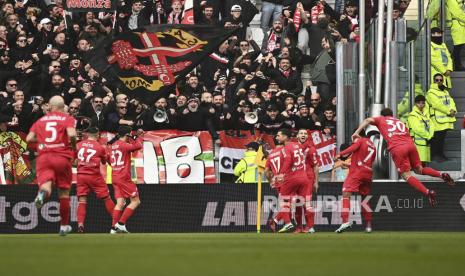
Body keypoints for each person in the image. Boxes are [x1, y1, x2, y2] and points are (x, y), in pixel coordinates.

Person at [352, 108, 455, 207]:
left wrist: (357, 132)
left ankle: (428, 192)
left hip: (398, 148)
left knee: (406, 175)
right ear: (392, 115)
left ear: (382, 115)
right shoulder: (399, 121)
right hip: (411, 145)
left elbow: (367, 120)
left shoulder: (381, 119)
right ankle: (441, 175)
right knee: (419, 169)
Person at [26, 95, 77, 236]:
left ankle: (42, 194)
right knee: (64, 192)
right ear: (63, 107)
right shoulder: (67, 119)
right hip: (62, 156)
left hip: (44, 157)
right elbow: (72, 135)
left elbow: (29, 138)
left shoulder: (41, 120)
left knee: (46, 185)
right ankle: (63, 226)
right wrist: (73, 148)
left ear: (50, 106)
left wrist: (42, 140)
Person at [334, 129, 376, 233]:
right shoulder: (372, 145)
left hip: (357, 173)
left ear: (357, 135)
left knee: (346, 193)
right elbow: (367, 161)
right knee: (365, 199)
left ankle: (345, 221)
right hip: (368, 173)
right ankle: (369, 225)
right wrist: (347, 164)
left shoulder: (360, 141)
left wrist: (340, 155)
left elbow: (353, 147)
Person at [76, 127, 115, 233]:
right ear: (97, 135)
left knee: (82, 201)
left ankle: (80, 225)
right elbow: (104, 162)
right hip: (94, 176)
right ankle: (116, 224)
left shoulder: (78, 145)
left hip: (81, 175)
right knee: (107, 198)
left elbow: (74, 160)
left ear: (87, 135)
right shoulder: (99, 147)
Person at [108, 126, 143, 234]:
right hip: (123, 177)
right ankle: (121, 224)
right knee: (136, 201)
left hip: (115, 176)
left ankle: (113, 228)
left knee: (120, 203)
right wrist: (136, 136)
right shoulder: (124, 145)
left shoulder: (113, 146)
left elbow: (109, 161)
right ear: (127, 135)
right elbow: (138, 145)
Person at [273, 128, 307, 233]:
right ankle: (303, 227)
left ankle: (287, 223)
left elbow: (288, 161)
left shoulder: (286, 147)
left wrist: (280, 174)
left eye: (279, 135)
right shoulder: (297, 145)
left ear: (285, 137)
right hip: (304, 177)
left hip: (292, 178)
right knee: (301, 203)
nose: (277, 137)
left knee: (284, 200)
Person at [426, 74, 457, 162]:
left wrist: (453, 110)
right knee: (437, 139)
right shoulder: (431, 92)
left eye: (441, 80)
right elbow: (437, 105)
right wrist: (448, 111)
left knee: (441, 138)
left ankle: (441, 155)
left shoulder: (445, 91)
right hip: (437, 120)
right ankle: (436, 156)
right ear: (433, 81)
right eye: (437, 80)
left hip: (445, 119)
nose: (439, 81)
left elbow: (451, 101)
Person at [294, 129, 319, 234]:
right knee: (297, 203)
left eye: (305, 134)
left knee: (307, 202)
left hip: (308, 177)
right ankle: (299, 227)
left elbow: (316, 166)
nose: (303, 135)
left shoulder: (311, 149)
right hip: (296, 178)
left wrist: (316, 181)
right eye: (301, 133)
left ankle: (310, 226)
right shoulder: (293, 148)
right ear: (297, 136)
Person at [407, 95, 434, 164]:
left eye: (423, 103)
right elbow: (417, 129)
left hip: (425, 142)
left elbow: (431, 125)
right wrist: (428, 136)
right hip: (417, 143)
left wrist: (430, 136)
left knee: (423, 162)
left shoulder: (426, 114)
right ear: (415, 104)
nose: (421, 105)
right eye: (419, 103)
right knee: (418, 162)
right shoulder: (413, 115)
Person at [265, 144, 285, 233]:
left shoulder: (270, 155)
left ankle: (276, 221)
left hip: (277, 182)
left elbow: (266, 171)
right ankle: (276, 221)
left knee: (286, 204)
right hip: (286, 180)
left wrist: (270, 181)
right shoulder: (284, 151)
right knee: (290, 203)